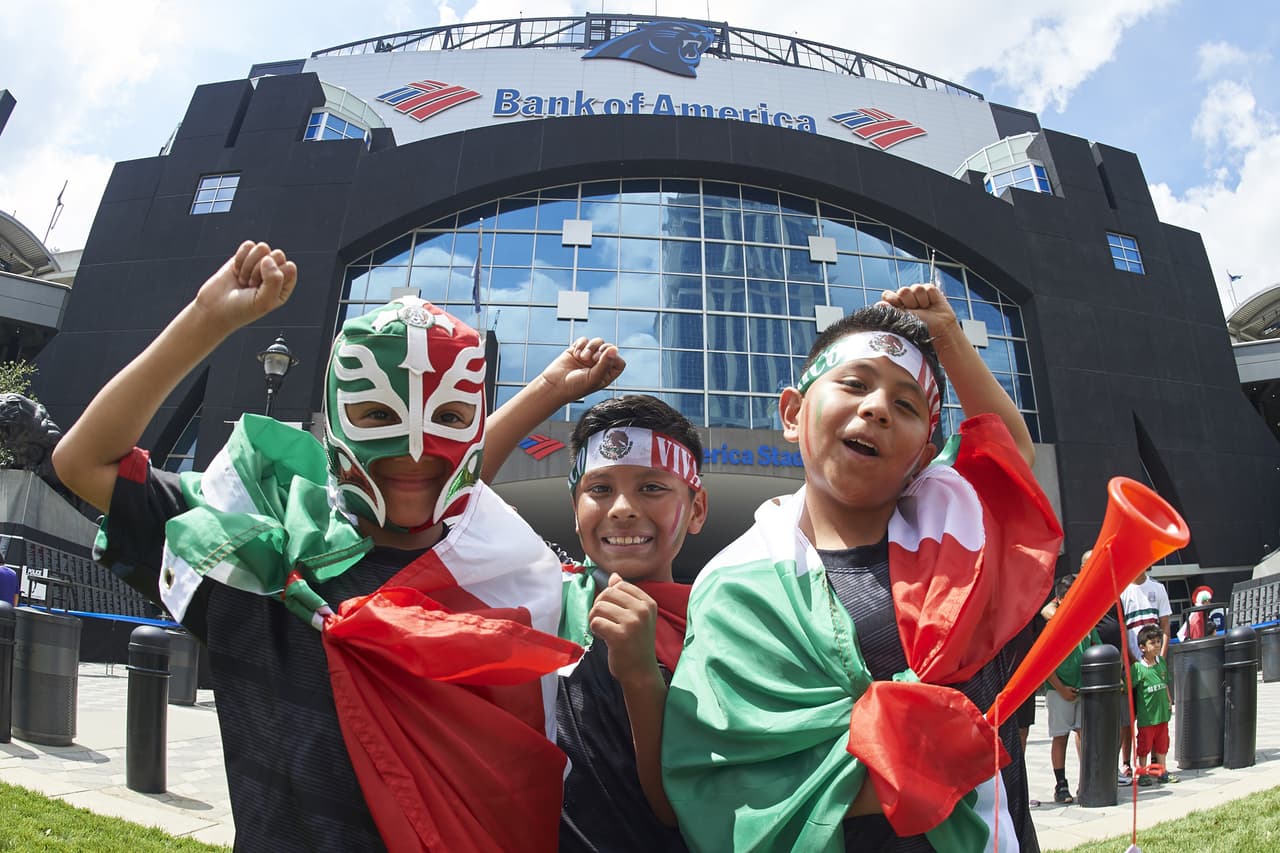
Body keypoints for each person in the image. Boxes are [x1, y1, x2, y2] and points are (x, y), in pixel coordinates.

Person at [52, 240, 582, 852]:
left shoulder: (498, 587)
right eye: (377, 415)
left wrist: (546, 390)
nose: (415, 449)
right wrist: (207, 318)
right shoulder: (261, 556)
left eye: (450, 417)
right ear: (334, 419)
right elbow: (83, 461)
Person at [663, 283, 1063, 852]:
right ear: (793, 413)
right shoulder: (735, 584)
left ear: (924, 456)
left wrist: (949, 337)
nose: (876, 408)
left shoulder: (957, 536)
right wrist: (906, 765)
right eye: (854, 384)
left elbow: (1009, 452)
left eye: (906, 406)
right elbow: (722, 776)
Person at [486, 378, 704, 851]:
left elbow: (684, 805)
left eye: (651, 487)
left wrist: (640, 675)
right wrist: (549, 388)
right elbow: (450, 498)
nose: (622, 509)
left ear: (697, 509)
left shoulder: (722, 625)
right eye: (600, 488)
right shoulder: (542, 590)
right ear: (574, 507)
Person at [1041, 573, 1100, 805]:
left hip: (1083, 688)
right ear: (1060, 600)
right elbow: (1044, 664)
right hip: (1059, 690)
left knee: (1084, 733)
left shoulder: (1087, 621)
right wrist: (1061, 688)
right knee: (1060, 736)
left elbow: (1096, 646)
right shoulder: (1052, 625)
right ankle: (1061, 783)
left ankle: (1087, 780)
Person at [1118, 567, 1171, 784]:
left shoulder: (1157, 588)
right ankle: (1128, 763)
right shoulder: (1122, 591)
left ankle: (1158, 765)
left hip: (1154, 664)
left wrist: (1160, 659)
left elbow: (1165, 626)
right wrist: (1132, 660)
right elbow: (1122, 630)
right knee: (1129, 717)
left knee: (1156, 715)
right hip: (1133, 663)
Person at [1130, 624, 1176, 786]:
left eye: (1158, 642)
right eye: (1152, 643)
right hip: (1147, 718)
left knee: (1163, 744)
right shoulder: (1137, 668)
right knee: (1144, 746)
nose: (1157, 645)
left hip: (1162, 715)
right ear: (1142, 647)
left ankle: (1162, 771)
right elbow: (1129, 688)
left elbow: (1165, 683)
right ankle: (1142, 773)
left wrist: (1169, 700)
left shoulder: (1161, 662)